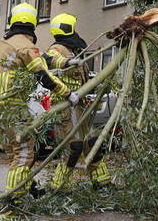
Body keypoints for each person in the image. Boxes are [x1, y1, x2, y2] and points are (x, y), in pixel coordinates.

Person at [0, 2, 83, 195]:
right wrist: (68, 93)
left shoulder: (2, 44)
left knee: (15, 153)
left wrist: (67, 62)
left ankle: (28, 189)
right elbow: (44, 75)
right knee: (24, 153)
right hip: (13, 106)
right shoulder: (26, 46)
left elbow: (46, 59)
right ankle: (13, 198)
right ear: (33, 25)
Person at [44, 13, 112, 189]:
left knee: (93, 143)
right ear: (68, 29)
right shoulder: (57, 49)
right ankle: (58, 187)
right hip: (65, 107)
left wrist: (98, 85)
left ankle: (102, 183)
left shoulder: (74, 51)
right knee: (73, 148)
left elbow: (83, 80)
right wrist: (67, 62)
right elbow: (48, 60)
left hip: (80, 106)